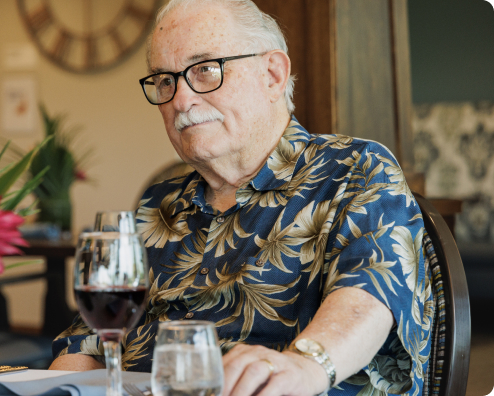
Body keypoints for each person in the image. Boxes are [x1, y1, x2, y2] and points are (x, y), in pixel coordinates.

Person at [48, 1, 432, 395]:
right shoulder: (158, 206)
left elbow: (369, 296)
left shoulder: (354, 170)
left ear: (272, 74)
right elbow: (93, 342)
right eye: (165, 80)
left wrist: (305, 366)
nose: (180, 100)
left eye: (205, 70)